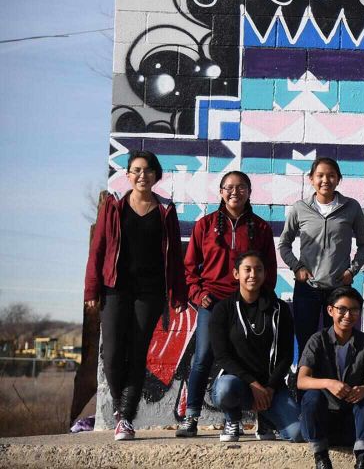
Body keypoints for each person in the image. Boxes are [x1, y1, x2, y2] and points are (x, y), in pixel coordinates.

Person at [84, 150, 187, 441]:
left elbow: (175, 259)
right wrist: (92, 288)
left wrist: (177, 294)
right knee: (113, 353)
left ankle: (125, 418)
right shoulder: (114, 207)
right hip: (115, 288)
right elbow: (98, 250)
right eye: (137, 170)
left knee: (138, 352)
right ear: (128, 175)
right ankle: (119, 408)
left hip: (150, 292)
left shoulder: (166, 210)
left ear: (156, 175)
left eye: (148, 170)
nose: (143, 175)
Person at [177, 171, 277, 437]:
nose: (235, 192)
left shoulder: (261, 227)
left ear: (249, 192)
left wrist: (261, 300)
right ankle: (191, 418)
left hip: (247, 303)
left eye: (241, 187)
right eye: (229, 187)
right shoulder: (204, 225)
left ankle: (260, 419)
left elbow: (269, 269)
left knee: (254, 359)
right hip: (214, 302)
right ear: (220, 192)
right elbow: (188, 268)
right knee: (202, 358)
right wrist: (198, 294)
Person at [279, 157, 364, 356]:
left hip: (339, 289)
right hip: (306, 289)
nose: (325, 180)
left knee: (337, 343)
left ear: (338, 179)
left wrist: (351, 270)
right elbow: (284, 244)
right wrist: (297, 268)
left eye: (331, 175)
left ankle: (333, 385)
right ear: (311, 179)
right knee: (306, 343)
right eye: (320, 175)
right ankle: (305, 386)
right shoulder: (300, 208)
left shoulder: (351, 207)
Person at [209, 250, 300, 443]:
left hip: (270, 388)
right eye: (247, 270)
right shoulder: (223, 309)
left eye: (258, 270)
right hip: (238, 383)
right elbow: (222, 356)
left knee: (297, 434)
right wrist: (253, 384)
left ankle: (265, 416)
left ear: (265, 274)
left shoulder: (279, 309)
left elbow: (286, 355)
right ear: (236, 274)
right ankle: (232, 419)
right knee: (225, 389)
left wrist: (269, 388)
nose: (253, 275)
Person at [297, 286, 364, 469]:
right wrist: (328, 383)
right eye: (342, 309)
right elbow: (301, 381)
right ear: (330, 310)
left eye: (354, 310)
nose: (348, 315)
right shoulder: (318, 340)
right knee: (312, 396)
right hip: (321, 423)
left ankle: (363, 459)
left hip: (351, 425)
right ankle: (320, 456)